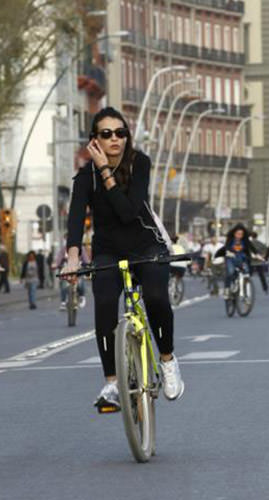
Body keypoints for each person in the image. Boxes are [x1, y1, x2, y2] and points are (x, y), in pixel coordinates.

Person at [63, 107, 183, 411]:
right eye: (106, 134)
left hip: (146, 246)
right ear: (94, 140)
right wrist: (73, 257)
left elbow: (128, 212)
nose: (115, 139)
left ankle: (168, 360)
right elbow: (76, 218)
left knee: (156, 296)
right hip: (108, 251)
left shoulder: (139, 163)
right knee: (104, 302)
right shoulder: (83, 178)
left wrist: (105, 171)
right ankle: (112, 383)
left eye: (120, 133)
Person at [218, 223, 255, 294]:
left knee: (247, 271)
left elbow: (252, 248)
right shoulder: (230, 240)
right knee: (230, 272)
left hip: (241, 259)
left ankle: (245, 290)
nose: (239, 235)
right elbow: (227, 247)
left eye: (241, 234)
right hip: (231, 259)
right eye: (238, 233)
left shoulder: (245, 241)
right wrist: (230, 252)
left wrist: (256, 255)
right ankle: (227, 288)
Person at [53, 237, 87, 309]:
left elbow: (86, 259)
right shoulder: (63, 249)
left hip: (78, 270)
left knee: (80, 283)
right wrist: (55, 264)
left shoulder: (81, 248)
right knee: (63, 285)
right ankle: (63, 301)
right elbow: (58, 259)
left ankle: (81, 296)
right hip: (66, 270)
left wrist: (87, 264)